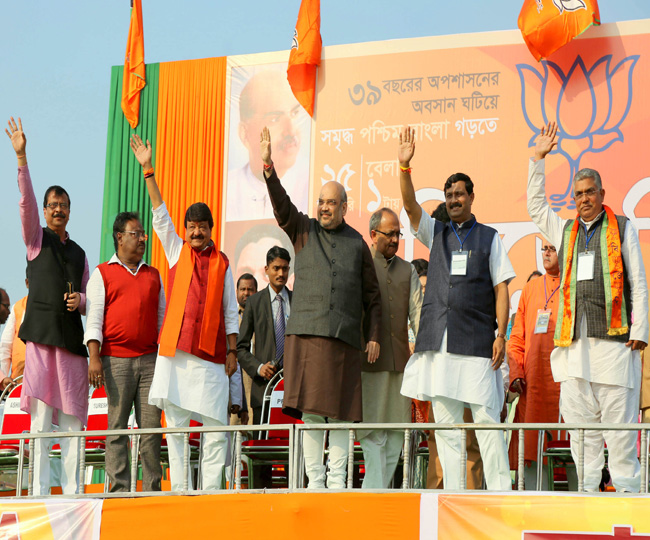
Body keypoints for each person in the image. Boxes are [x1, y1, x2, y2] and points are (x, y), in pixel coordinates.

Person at [527, 121, 648, 492]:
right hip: (575, 353)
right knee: (582, 437)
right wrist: (537, 159)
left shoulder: (622, 227)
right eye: (578, 193)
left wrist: (641, 330)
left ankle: (629, 499)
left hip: (614, 350)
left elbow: (638, 282)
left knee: (621, 437)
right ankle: (587, 497)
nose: (583, 199)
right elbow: (536, 207)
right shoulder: (565, 231)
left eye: (589, 192)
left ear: (601, 193)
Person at [260, 126, 382, 489]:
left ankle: (337, 482)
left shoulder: (358, 243)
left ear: (344, 207)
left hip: (344, 342)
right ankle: (315, 482)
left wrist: (374, 336)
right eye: (320, 201)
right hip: (307, 338)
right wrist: (269, 168)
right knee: (312, 417)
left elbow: (372, 297)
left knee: (341, 418)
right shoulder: (303, 229)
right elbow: (282, 206)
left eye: (331, 202)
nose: (324, 207)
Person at [397, 126, 514, 491]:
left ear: (471, 197)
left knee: (487, 423)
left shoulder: (489, 237)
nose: (453, 200)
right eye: (448, 196)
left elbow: (502, 289)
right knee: (446, 427)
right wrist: (404, 167)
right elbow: (410, 207)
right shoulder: (437, 233)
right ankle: (455, 495)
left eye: (459, 194)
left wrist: (501, 335)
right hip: (439, 345)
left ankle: (500, 494)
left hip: (477, 344)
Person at [129, 134, 239, 491]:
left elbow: (231, 312)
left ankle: (210, 492)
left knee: (216, 430)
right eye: (191, 226)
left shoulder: (223, 263)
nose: (195, 232)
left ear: (210, 229)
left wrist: (233, 350)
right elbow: (160, 216)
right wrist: (148, 170)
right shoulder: (176, 250)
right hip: (176, 355)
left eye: (201, 227)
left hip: (211, 359)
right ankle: (180, 490)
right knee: (176, 429)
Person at [6, 117, 89, 495]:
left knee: (71, 423)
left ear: (70, 211)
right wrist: (21, 158)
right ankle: (39, 492)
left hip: (70, 345)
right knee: (40, 424)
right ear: (44, 211)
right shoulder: (35, 240)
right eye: (53, 205)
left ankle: (72, 493)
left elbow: (90, 299)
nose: (58, 209)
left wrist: (81, 300)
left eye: (64, 205)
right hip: (40, 342)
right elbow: (24, 203)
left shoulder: (80, 253)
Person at [84, 212, 165, 492]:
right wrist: (94, 358)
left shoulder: (153, 275)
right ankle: (119, 490)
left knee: (151, 429)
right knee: (117, 427)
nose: (143, 239)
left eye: (143, 234)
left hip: (151, 361)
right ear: (119, 237)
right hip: (114, 360)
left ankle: (152, 490)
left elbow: (162, 321)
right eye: (136, 233)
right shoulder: (102, 273)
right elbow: (94, 319)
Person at [359, 208, 422, 488]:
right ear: (373, 235)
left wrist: (423, 355)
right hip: (368, 365)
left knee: (396, 436)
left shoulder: (408, 270)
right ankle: (374, 498)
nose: (396, 239)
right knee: (372, 435)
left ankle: (376, 497)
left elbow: (418, 317)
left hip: (400, 367)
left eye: (399, 233)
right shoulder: (360, 266)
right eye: (390, 234)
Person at [507, 241, 563, 489]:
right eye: (544, 248)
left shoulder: (572, 285)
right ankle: (532, 497)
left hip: (564, 383)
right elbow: (516, 337)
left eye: (553, 248)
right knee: (531, 443)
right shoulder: (530, 288)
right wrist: (516, 372)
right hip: (533, 383)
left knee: (567, 443)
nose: (547, 253)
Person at [237, 246, 292, 488]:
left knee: (294, 454)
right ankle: (260, 504)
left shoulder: (298, 301)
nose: (281, 273)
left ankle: (296, 502)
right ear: (266, 269)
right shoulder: (255, 302)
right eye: (276, 268)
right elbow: (240, 348)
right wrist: (258, 367)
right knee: (261, 459)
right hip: (264, 392)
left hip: (293, 392)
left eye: (285, 269)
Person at [227, 70, 309, 222]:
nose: (291, 131)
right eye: (275, 119)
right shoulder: (227, 192)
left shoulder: (310, 188)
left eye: (295, 113)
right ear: (245, 134)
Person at [0, 276, 28, 390]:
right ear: (27, 283)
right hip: (18, 382)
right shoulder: (19, 307)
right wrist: (3, 379)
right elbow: (5, 346)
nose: (8, 311)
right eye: (6, 306)